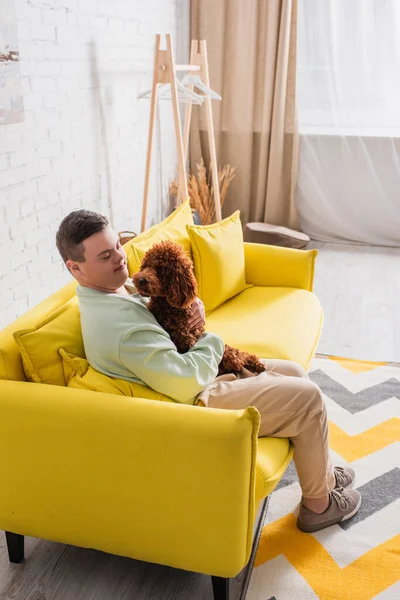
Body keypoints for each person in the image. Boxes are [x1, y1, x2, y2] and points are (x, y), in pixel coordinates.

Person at [56, 209, 361, 533]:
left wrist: (191, 318)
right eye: (106, 255)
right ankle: (319, 506)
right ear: (74, 267)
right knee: (307, 397)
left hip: (192, 376)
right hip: (190, 406)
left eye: (118, 245)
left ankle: (323, 478)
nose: (120, 258)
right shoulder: (117, 328)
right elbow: (184, 383)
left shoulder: (113, 288)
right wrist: (206, 332)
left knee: (294, 372)